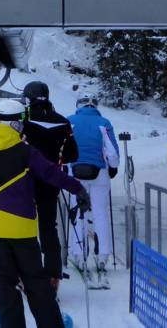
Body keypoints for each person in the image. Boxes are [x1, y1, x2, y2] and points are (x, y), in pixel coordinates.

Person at [0, 99, 90, 328]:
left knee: (5, 285)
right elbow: (51, 173)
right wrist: (78, 189)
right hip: (22, 229)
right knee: (36, 283)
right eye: (22, 120)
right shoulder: (26, 152)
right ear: (16, 123)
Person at [21, 81, 79, 292]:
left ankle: (27, 274)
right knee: (48, 227)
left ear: (28, 98)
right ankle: (53, 275)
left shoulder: (24, 120)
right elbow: (73, 153)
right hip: (51, 180)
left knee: (25, 227)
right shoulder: (62, 121)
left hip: (25, 180)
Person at [67, 93, 120, 272]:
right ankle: (103, 255)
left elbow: (64, 149)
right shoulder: (104, 123)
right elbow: (112, 152)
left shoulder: (70, 121)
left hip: (75, 173)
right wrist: (113, 167)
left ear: (79, 105)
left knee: (77, 212)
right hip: (99, 173)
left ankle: (78, 254)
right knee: (100, 213)